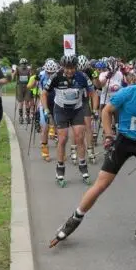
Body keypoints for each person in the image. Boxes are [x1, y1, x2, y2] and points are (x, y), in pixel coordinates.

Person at [50, 59, 136, 249]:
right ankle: (74, 219)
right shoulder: (127, 93)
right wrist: (109, 135)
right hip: (124, 142)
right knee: (101, 185)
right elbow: (106, 111)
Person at [41, 55, 97, 186]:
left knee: (79, 136)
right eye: (67, 68)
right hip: (60, 110)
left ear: (76, 67)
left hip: (77, 110)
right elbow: (43, 93)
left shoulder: (82, 76)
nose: (70, 71)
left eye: (72, 68)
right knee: (63, 138)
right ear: (63, 67)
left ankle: (83, 165)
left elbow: (93, 92)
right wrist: (45, 109)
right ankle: (60, 169)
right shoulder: (56, 76)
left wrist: (95, 110)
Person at [14, 58, 34, 125]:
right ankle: (21, 117)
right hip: (20, 86)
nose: (24, 65)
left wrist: (31, 71)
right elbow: (14, 76)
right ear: (20, 64)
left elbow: (31, 77)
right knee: (21, 102)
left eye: (25, 64)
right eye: (23, 64)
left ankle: (27, 116)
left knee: (27, 102)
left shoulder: (28, 69)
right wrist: (15, 71)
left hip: (27, 86)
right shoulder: (18, 69)